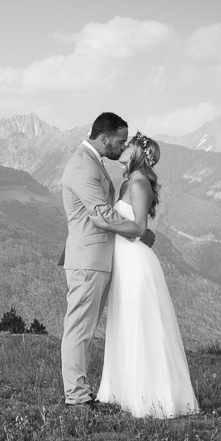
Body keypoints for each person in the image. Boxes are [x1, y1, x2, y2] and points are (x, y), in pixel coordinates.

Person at [95, 132, 199, 418]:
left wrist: (103, 221)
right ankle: (124, 391)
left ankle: (151, 397)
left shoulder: (139, 183)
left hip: (135, 264)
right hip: (125, 262)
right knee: (126, 324)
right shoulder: (131, 181)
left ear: (138, 153)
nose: (122, 149)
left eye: (127, 146)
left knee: (140, 326)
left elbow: (139, 228)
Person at [59, 112, 155, 409]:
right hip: (88, 258)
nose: (122, 146)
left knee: (85, 330)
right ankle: (76, 396)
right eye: (120, 141)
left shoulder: (91, 161)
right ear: (104, 138)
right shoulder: (81, 166)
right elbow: (100, 213)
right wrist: (137, 231)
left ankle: (82, 391)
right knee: (79, 328)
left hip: (97, 257)